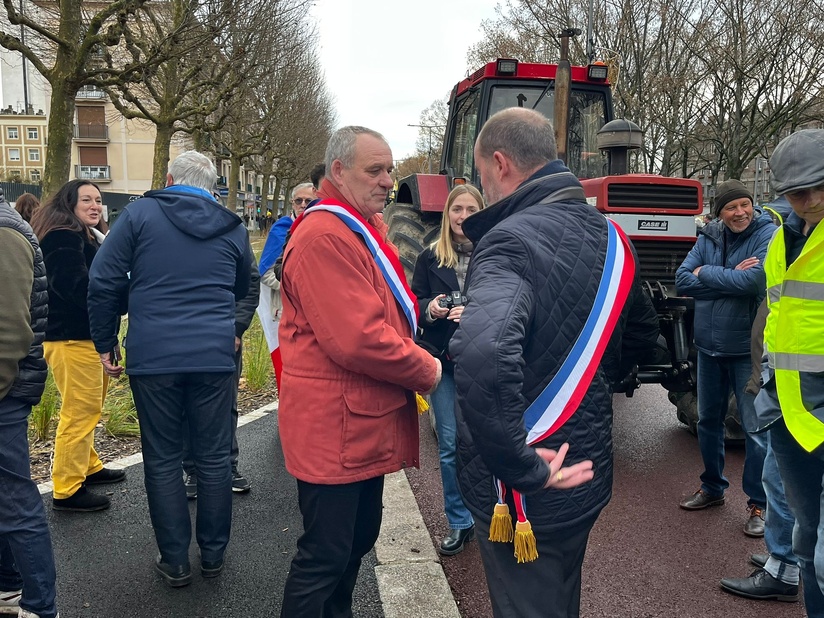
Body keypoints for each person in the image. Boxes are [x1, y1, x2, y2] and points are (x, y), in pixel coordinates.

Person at [450, 107, 638, 618]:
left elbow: (481, 356)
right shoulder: (614, 238)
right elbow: (635, 342)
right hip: (586, 462)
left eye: (482, 175)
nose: (482, 189)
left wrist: (519, 465)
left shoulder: (507, 240)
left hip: (526, 485)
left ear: (501, 163)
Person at [277, 126, 441, 617]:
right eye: (376, 170)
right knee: (326, 555)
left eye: (390, 169)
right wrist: (427, 369)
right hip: (337, 426)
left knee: (351, 545)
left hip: (352, 423)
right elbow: (358, 338)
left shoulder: (356, 227)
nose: (388, 180)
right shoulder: (328, 234)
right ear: (339, 171)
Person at [87, 150, 251, 587]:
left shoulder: (139, 215)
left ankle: (175, 560)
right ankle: (214, 556)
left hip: (154, 355)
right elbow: (245, 283)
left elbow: (103, 280)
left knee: (161, 458)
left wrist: (105, 342)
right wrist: (233, 325)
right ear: (212, 184)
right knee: (215, 456)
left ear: (168, 177)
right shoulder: (231, 224)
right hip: (214, 357)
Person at [675, 179, 775, 537]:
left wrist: (711, 274)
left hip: (745, 350)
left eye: (745, 205)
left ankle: (758, 504)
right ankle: (713, 487)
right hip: (708, 346)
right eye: (732, 207)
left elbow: (755, 283)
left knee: (754, 430)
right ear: (720, 212)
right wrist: (731, 275)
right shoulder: (708, 237)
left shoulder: (767, 234)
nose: (740, 212)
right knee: (707, 422)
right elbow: (683, 279)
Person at [754, 128, 824, 615]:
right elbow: (778, 314)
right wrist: (766, 381)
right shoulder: (783, 238)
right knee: (806, 539)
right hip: (790, 414)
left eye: (819, 186)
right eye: (799, 192)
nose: (811, 200)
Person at [29, 180, 126, 513]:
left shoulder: (82, 235)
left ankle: (88, 466)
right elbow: (75, 286)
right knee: (79, 412)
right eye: (86, 199)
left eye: (98, 200)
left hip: (84, 337)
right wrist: (118, 292)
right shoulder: (62, 237)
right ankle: (67, 489)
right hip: (72, 338)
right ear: (69, 203)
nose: (95, 205)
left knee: (88, 408)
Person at [411, 184, 485, 555]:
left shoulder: (494, 255)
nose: (463, 217)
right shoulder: (429, 257)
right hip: (442, 360)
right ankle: (458, 520)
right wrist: (432, 307)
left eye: (471, 209)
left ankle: (490, 513)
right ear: (447, 214)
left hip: (482, 361)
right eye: (457, 209)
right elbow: (416, 299)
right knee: (450, 443)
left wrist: (475, 314)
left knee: (487, 440)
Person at [0, 188, 58, 618]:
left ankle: (39, 606)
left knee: (16, 500)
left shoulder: (4, 233)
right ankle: (8, 587)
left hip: (4, 390)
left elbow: (11, 337)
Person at [182, 246, 260, 498]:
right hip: (180, 335)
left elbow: (250, 280)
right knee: (186, 405)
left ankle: (228, 465)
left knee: (226, 404)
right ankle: (193, 469)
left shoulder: (230, 227)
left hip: (224, 336)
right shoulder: (166, 225)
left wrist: (237, 327)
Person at [258, 183, 315, 391]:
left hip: (315, 314)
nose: (302, 205)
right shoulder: (282, 229)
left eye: (308, 201)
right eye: (298, 201)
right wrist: (296, 286)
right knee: (291, 380)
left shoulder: (323, 226)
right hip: (286, 312)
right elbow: (265, 273)